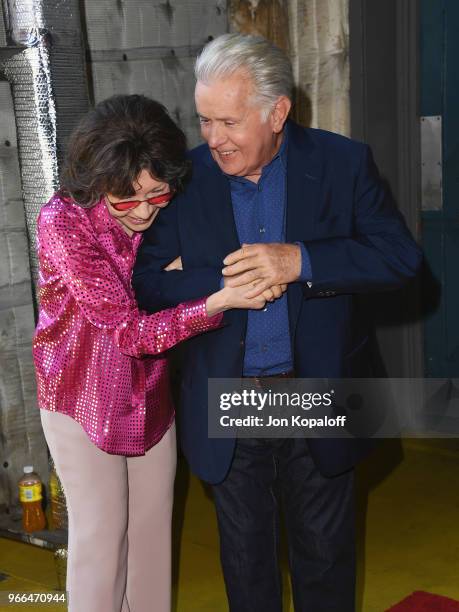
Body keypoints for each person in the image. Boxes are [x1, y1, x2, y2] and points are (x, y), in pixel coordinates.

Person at [133, 34, 422, 612]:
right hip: (229, 398)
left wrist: (302, 260)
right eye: (205, 120)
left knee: (325, 558)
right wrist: (221, 282)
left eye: (229, 122)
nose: (213, 139)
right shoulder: (185, 180)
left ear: (278, 112)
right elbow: (146, 284)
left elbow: (400, 258)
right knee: (246, 565)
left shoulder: (343, 163)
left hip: (316, 390)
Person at [32, 94, 272, 612]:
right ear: (98, 181)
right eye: (125, 201)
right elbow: (129, 332)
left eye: (156, 196)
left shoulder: (169, 206)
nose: (142, 213)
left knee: (150, 540)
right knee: (102, 539)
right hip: (81, 397)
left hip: (149, 393)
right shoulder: (63, 222)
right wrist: (219, 300)